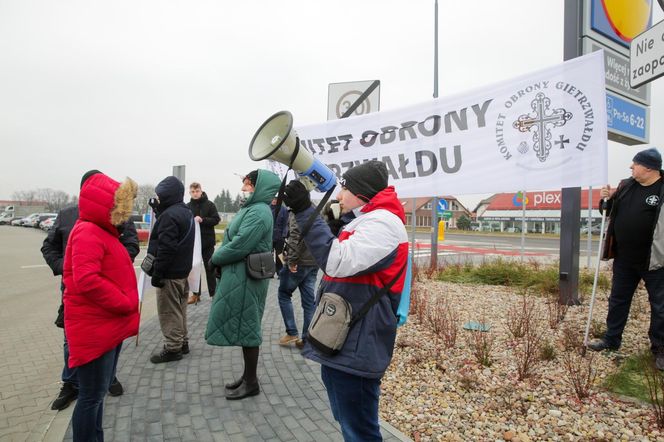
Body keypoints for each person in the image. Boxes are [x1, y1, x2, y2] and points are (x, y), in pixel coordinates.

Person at [283, 160, 408, 441]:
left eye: (345, 188)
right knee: (349, 421)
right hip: (349, 339)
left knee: (360, 430)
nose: (340, 194)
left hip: (359, 343)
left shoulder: (384, 223)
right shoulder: (371, 219)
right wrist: (332, 223)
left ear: (362, 192)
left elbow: (336, 261)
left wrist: (306, 213)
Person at [41, 170, 139, 411]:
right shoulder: (67, 215)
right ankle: (70, 383)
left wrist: (112, 265)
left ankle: (108, 377)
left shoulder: (114, 214)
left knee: (108, 340)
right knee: (72, 341)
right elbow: (49, 247)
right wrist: (66, 268)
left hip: (106, 292)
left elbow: (131, 245)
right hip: (75, 293)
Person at [62, 172, 140, 441]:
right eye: (118, 206)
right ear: (103, 204)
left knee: (96, 394)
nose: (123, 213)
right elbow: (86, 279)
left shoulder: (101, 230)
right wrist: (124, 302)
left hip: (104, 326)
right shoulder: (87, 231)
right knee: (91, 397)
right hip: (95, 328)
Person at [205, 169, 281, 400]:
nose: (244, 189)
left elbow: (240, 245)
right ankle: (248, 376)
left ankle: (251, 382)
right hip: (241, 276)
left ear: (259, 188)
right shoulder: (252, 208)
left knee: (248, 327)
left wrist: (215, 258)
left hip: (247, 278)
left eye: (248, 185)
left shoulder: (259, 212)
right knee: (244, 326)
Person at [588, 148, 664, 370]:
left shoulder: (661, 188)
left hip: (655, 261)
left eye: (635, 164)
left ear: (649, 167)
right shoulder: (625, 185)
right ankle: (612, 339)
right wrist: (604, 200)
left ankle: (659, 348)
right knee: (618, 300)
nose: (631, 167)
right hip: (624, 258)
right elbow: (607, 210)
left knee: (660, 306)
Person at [146, 176, 195, 363]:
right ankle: (182, 342)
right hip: (183, 271)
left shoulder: (169, 216)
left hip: (170, 273)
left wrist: (158, 273)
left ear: (167, 195)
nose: (158, 198)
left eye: (160, 195)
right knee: (180, 309)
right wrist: (160, 211)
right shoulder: (185, 211)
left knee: (169, 311)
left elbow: (166, 247)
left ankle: (173, 348)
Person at [276, 209, 319, 349]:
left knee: (283, 294)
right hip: (314, 261)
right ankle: (306, 339)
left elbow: (295, 236)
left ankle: (291, 332)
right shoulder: (316, 209)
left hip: (299, 262)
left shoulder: (297, 211)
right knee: (309, 302)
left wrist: (292, 260)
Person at [186, 182, 221, 305]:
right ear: (190, 193)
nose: (195, 194)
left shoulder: (209, 205)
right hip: (193, 244)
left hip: (207, 242)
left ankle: (214, 293)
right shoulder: (187, 206)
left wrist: (203, 220)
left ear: (201, 191)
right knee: (194, 268)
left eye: (197, 191)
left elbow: (216, 219)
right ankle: (196, 294)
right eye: (193, 192)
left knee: (209, 268)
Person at [271, 197, 289, 275]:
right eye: (273, 199)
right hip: (269, 236)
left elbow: (286, 223)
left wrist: (284, 235)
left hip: (280, 236)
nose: (274, 200)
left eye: (276, 199)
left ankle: (280, 271)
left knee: (280, 254)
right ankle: (270, 271)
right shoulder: (267, 208)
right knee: (268, 254)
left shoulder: (284, 210)